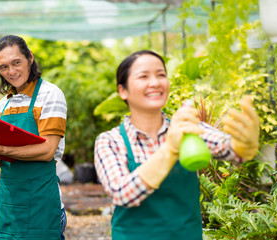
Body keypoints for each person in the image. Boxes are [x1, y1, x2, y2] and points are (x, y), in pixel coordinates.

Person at [94, 50, 260, 240]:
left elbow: (229, 149)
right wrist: (169, 150)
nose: (155, 82)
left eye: (161, 75)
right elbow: (122, 194)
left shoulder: (188, 129)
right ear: (122, 90)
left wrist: (243, 143)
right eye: (143, 76)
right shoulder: (111, 141)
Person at [0, 35, 67, 240]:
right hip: (9, 203)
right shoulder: (4, 104)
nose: (11, 72)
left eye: (16, 62)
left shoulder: (50, 94)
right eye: (3, 67)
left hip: (41, 201)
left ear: (30, 58)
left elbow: (47, 151)